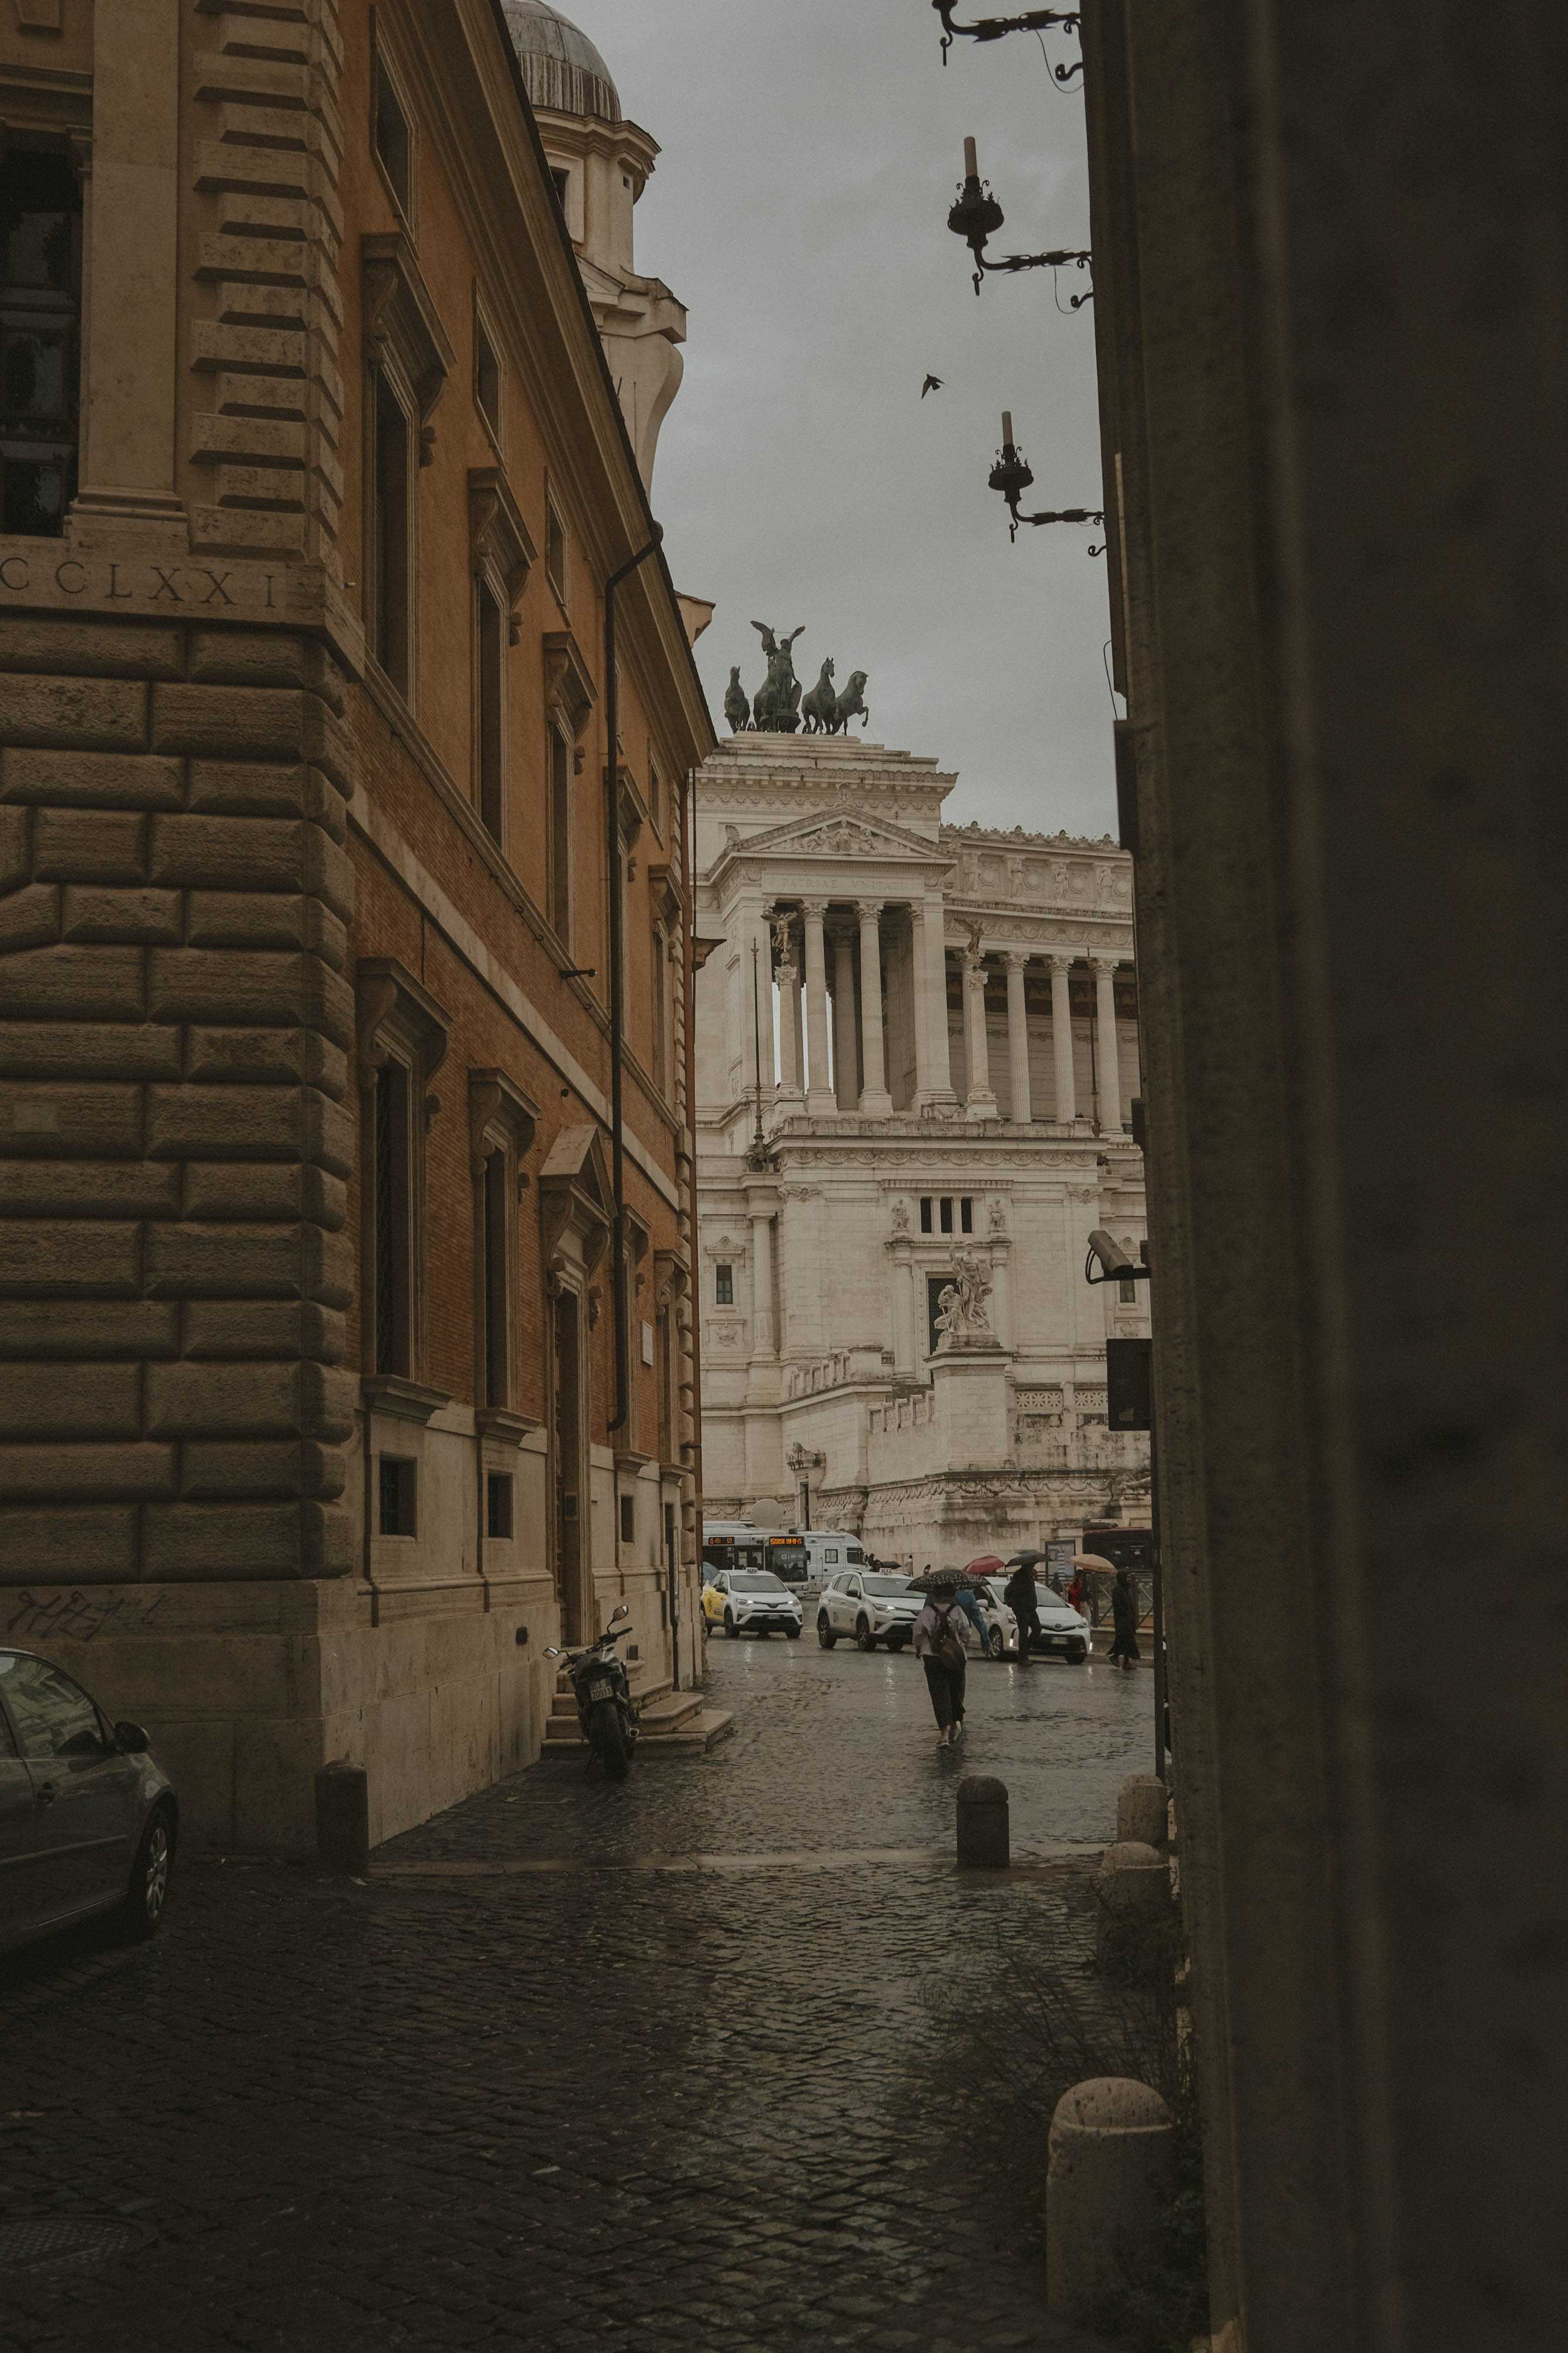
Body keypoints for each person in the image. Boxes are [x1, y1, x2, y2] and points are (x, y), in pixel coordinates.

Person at [912, 1576, 968, 1746]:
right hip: (954, 1658)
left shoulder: (927, 1611)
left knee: (938, 1694)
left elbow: (917, 1634)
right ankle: (955, 1723)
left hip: (932, 1657)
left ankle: (944, 1733)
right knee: (954, 1690)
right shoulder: (957, 1610)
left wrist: (920, 1648)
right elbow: (967, 1633)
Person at [1004, 1560, 1043, 1667]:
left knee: (1037, 1628)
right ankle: (1022, 1657)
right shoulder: (1020, 1575)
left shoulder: (1030, 1574)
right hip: (1022, 1608)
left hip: (1031, 1608)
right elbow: (1019, 1591)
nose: (1034, 1565)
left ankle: (1024, 1651)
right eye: (1032, 1563)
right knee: (1024, 1632)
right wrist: (1029, 1581)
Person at [1109, 1567, 1141, 1671]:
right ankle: (1116, 1657)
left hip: (1128, 1619)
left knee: (1128, 1641)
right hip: (1122, 1620)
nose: (1129, 1580)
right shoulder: (1118, 1590)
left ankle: (1126, 1662)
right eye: (1127, 1578)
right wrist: (1126, 1613)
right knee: (1124, 1639)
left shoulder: (1126, 1589)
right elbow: (1118, 1606)